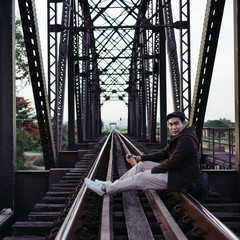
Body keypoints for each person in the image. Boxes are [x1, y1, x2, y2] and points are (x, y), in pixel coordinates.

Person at [85, 111, 201, 196]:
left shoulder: (186, 139)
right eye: (170, 124)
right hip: (176, 173)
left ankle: (105, 188)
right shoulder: (181, 137)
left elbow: (173, 161)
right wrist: (140, 157)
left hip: (184, 178)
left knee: (142, 177)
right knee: (141, 165)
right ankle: (113, 184)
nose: (173, 127)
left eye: (176, 124)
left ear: (184, 123)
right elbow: (162, 154)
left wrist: (153, 171)